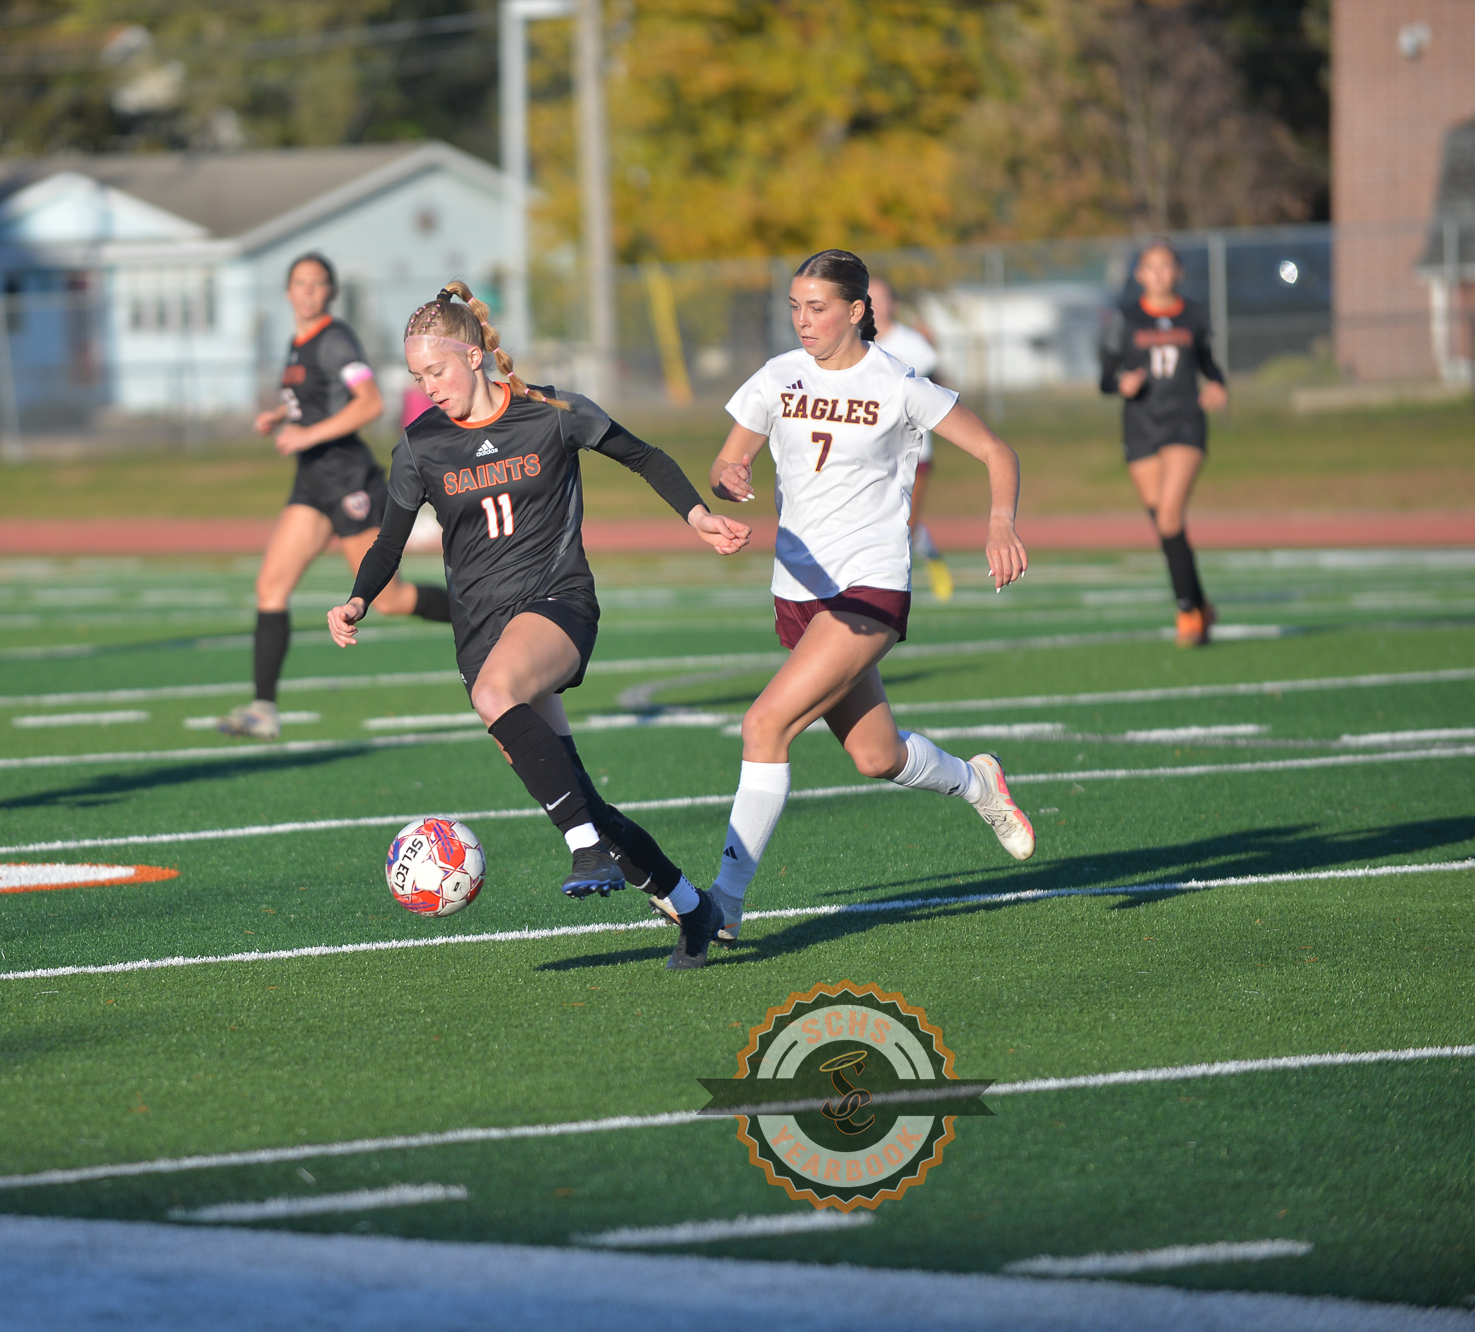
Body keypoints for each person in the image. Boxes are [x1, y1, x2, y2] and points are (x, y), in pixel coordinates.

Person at [326, 282, 753, 971]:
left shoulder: (551, 413)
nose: (426, 387)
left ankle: (581, 845)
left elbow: (642, 454)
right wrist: (357, 598)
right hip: (479, 629)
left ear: (471, 356)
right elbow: (387, 542)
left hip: (558, 602)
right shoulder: (419, 445)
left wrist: (696, 516)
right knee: (571, 786)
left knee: (498, 699)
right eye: (415, 377)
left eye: (434, 371)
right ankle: (690, 906)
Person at [697, 250, 1035, 948]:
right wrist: (730, 472)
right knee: (877, 756)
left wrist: (999, 520)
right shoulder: (776, 376)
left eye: (815, 306)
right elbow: (727, 458)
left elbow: (996, 451)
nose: (801, 319)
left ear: (854, 310)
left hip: (870, 584)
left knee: (763, 725)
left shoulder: (898, 383)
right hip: (798, 592)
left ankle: (722, 904)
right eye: (793, 306)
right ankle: (975, 782)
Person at [218, 253, 451, 741]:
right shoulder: (297, 344)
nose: (308, 291)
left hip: (348, 482)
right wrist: (282, 419)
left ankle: (480, 609)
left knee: (390, 601)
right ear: (287, 291)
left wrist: (307, 435)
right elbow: (313, 400)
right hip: (312, 484)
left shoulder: (335, 339)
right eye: (300, 283)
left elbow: (370, 402)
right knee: (271, 588)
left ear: (330, 292)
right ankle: (263, 709)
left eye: (318, 283)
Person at [1099, 239, 1228, 647]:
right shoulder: (1127, 317)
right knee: (1166, 526)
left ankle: (1187, 611)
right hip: (1141, 426)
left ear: (1178, 272)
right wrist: (1122, 383)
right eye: (1150, 267)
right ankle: (1203, 605)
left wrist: (1218, 386)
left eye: (1166, 266)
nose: (1158, 274)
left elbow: (1210, 366)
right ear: (1140, 275)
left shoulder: (1194, 314)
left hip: (1185, 424)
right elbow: (1105, 378)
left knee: (1171, 516)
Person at [868, 278, 951, 602]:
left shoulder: (912, 343)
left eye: (880, 298)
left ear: (894, 305)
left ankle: (922, 564)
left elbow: (937, 388)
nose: (873, 304)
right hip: (870, 450)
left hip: (912, 453)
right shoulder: (856, 343)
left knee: (904, 526)